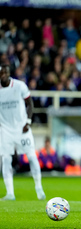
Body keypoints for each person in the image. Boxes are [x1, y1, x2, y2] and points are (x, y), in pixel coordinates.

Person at [0, 64, 46, 200]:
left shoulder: (19, 86)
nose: (3, 75)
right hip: (6, 130)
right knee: (6, 159)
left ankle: (39, 188)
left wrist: (28, 122)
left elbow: (29, 103)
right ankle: (10, 193)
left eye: (5, 72)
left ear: (9, 73)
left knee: (32, 156)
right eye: (1, 73)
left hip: (22, 128)